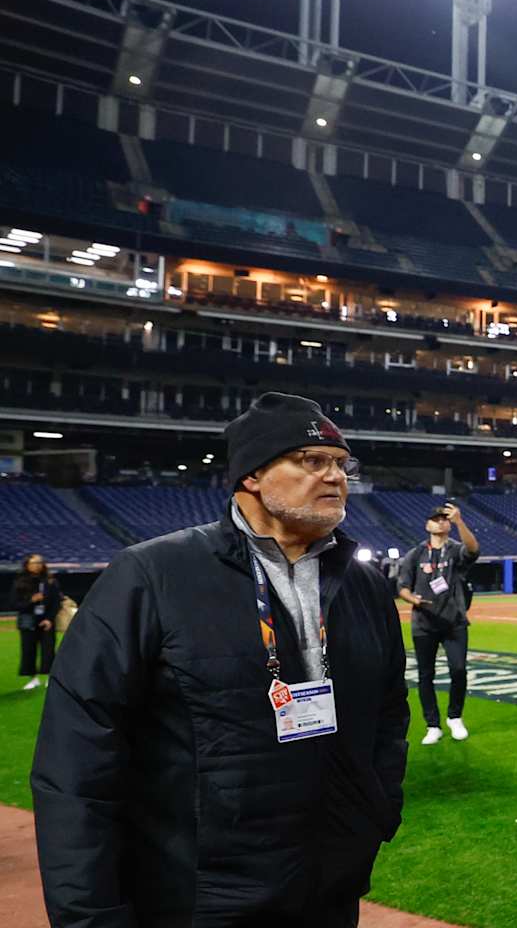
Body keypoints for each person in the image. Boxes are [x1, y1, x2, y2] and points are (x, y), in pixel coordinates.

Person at [31, 391, 408, 926]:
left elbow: (390, 712)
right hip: (197, 896)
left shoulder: (363, 584)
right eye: (312, 460)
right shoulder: (151, 575)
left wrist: (376, 808)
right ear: (251, 475)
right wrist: (89, 914)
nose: (336, 476)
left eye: (341, 463)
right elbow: (77, 759)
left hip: (330, 887)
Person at [396, 501, 481, 744]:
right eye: (436, 518)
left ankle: (455, 717)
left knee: (459, 670)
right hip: (423, 623)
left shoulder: (455, 550)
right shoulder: (416, 554)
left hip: (454, 623)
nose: (441, 521)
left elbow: (473, 550)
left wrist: (460, 521)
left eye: (445, 518)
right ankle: (432, 724)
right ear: (427, 525)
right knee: (425, 675)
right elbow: (402, 587)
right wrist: (413, 599)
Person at [14, 553, 62, 690]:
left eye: (39, 562)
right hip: (28, 621)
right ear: (27, 565)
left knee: (49, 650)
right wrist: (31, 601)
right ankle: (33, 679)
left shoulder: (50, 581)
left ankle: (49, 678)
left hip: (46, 620)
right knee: (28, 650)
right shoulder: (19, 582)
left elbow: (56, 602)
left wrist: (49, 619)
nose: (37, 565)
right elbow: (14, 604)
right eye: (34, 563)